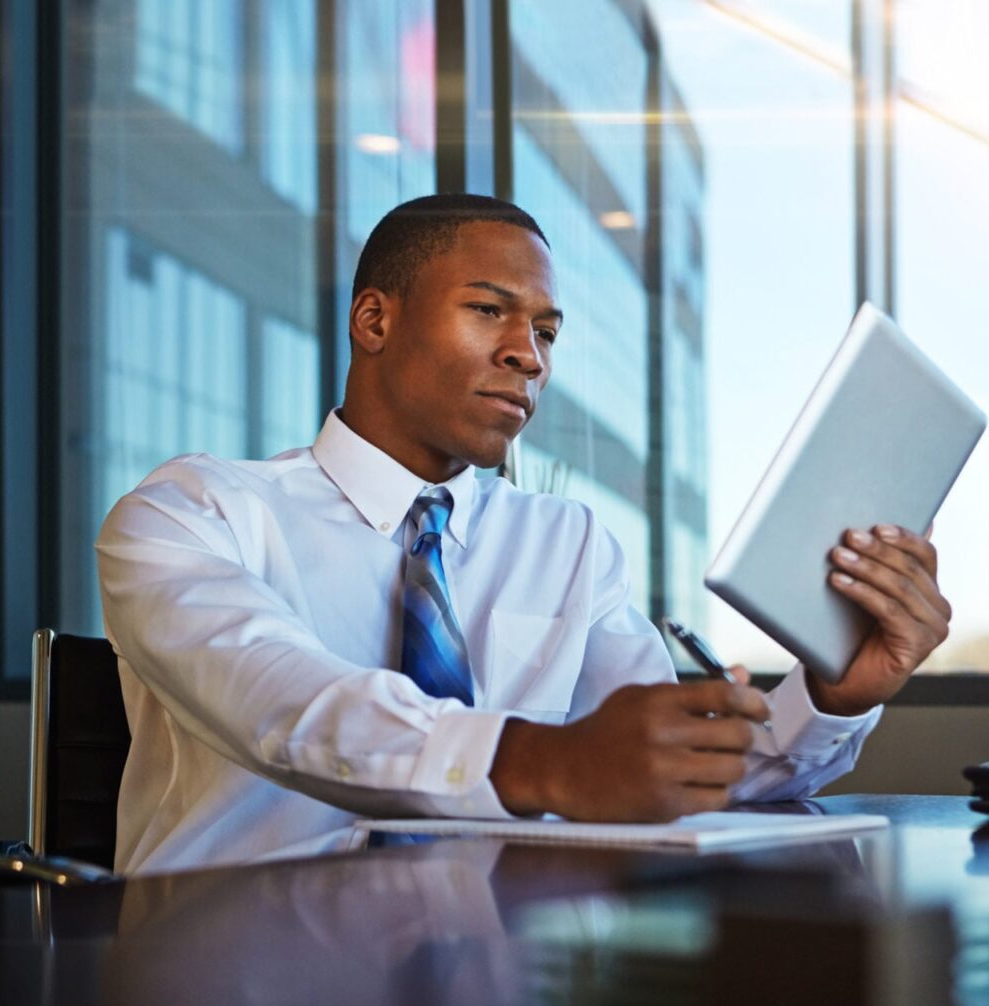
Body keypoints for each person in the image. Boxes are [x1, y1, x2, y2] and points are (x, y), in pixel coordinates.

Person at [96, 194, 951, 874]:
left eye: (545, 331)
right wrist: (546, 761)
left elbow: (672, 768)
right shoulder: (190, 515)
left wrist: (839, 690)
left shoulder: (569, 543)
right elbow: (292, 704)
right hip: (228, 969)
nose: (530, 355)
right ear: (374, 321)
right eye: (488, 311)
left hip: (500, 962)